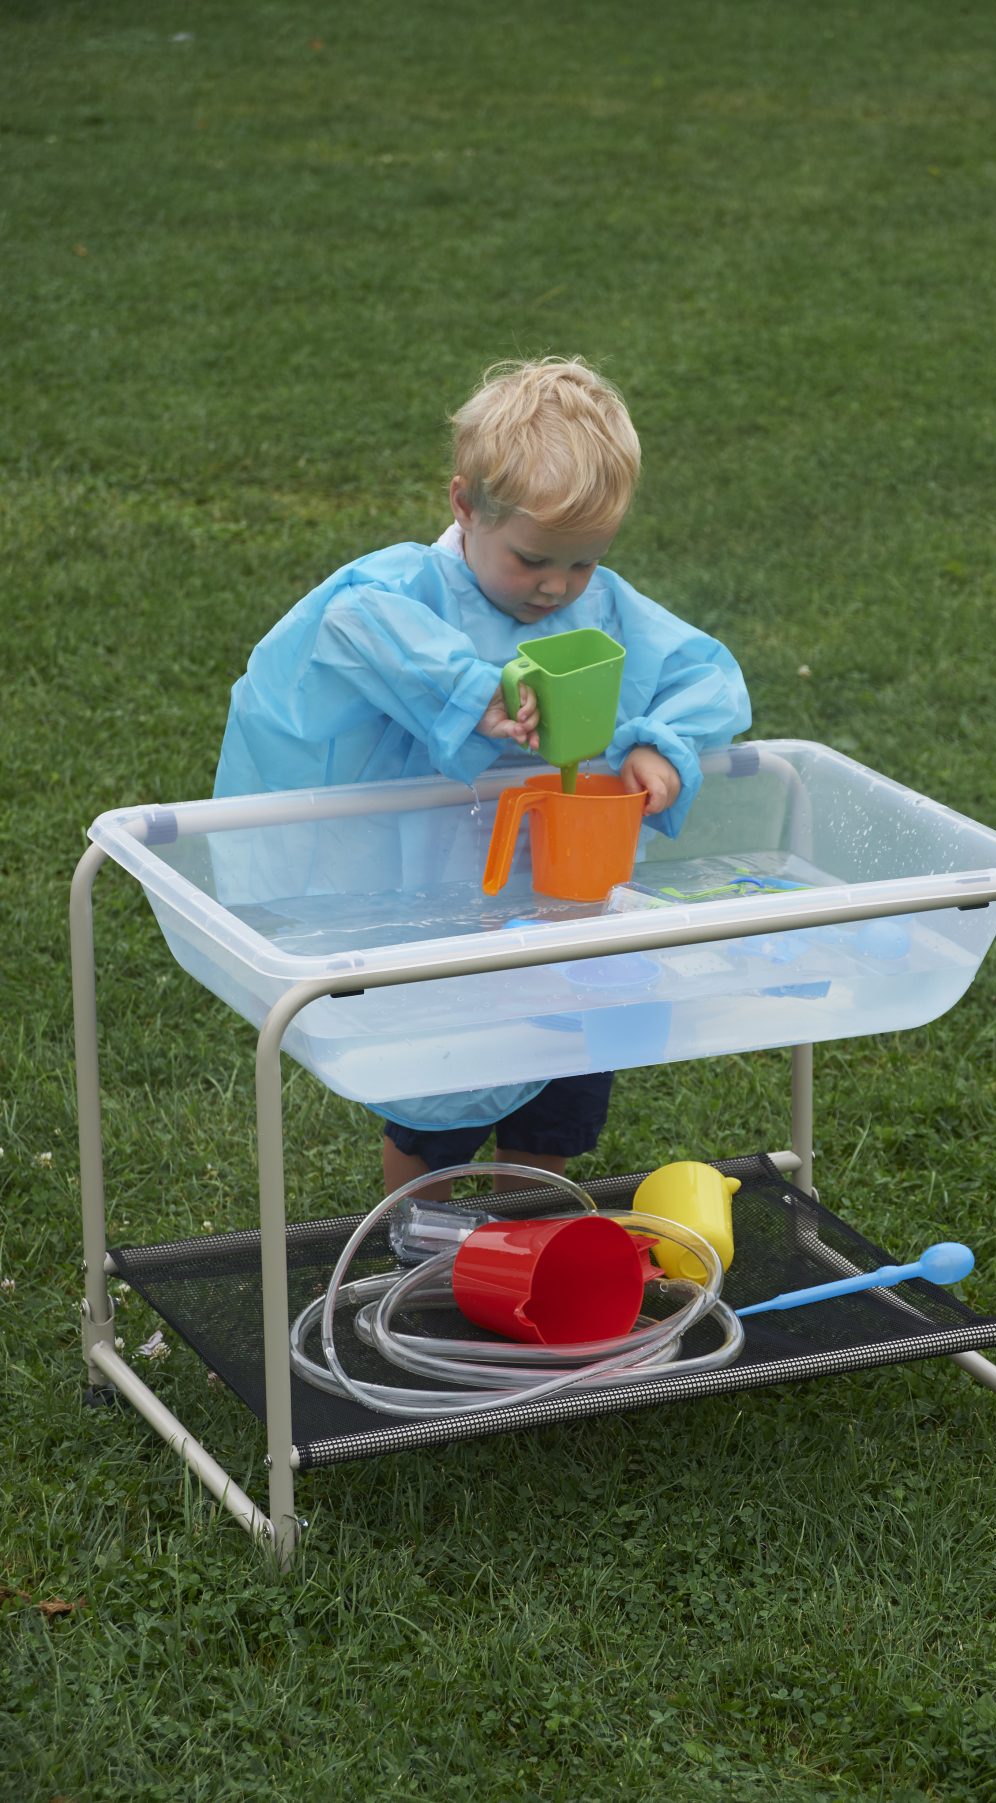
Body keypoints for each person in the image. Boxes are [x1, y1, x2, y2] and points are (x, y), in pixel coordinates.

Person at [214, 356, 751, 1196]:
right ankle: (412, 1239)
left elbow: (701, 672)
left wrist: (661, 744)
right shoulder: (411, 587)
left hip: (567, 902)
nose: (556, 586)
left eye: (583, 562)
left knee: (561, 1088)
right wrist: (473, 692)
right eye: (535, 558)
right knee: (438, 1100)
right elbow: (351, 624)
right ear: (465, 506)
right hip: (439, 901)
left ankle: (525, 1247)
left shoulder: (600, 603)